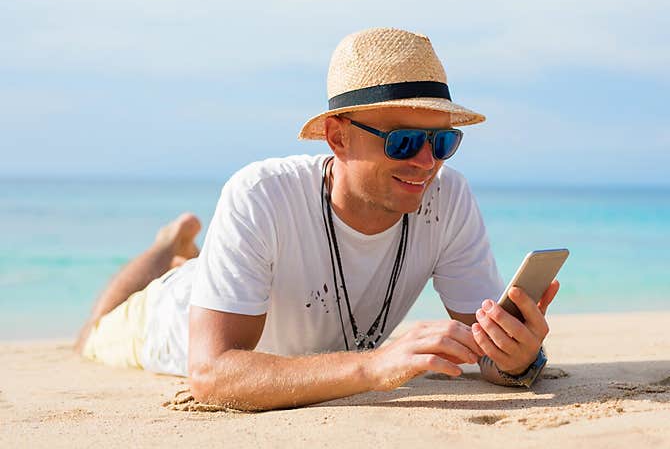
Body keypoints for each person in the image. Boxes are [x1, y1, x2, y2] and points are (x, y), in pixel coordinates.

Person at [75, 27, 560, 411]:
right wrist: (374, 368)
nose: (427, 162)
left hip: (251, 293)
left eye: (442, 142)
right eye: (404, 142)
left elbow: (492, 360)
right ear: (338, 137)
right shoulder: (261, 193)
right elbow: (212, 374)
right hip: (171, 314)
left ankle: (185, 251)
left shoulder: (447, 197)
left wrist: (517, 357)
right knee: (89, 338)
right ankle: (168, 246)